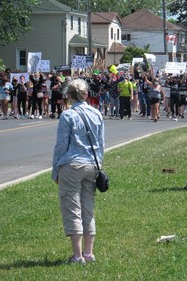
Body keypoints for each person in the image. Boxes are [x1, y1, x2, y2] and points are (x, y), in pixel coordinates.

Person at [52, 78, 105, 265]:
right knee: (87, 208)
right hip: (92, 165)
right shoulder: (96, 114)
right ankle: (89, 253)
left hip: (72, 165)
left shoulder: (67, 116)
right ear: (86, 94)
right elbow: (100, 143)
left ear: (68, 95)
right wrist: (99, 166)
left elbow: (61, 145)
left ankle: (77, 256)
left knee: (72, 209)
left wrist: (55, 170)